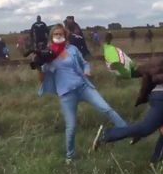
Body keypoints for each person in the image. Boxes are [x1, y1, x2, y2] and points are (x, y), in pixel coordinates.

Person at [38, 24, 127, 164]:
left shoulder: (72, 49)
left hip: (83, 86)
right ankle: (70, 156)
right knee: (71, 126)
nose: (58, 36)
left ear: (65, 35)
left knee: (106, 109)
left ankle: (126, 131)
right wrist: (39, 66)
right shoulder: (47, 54)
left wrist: (87, 70)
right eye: (55, 34)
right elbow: (42, 78)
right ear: (51, 37)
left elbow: (84, 63)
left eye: (60, 34)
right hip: (66, 94)